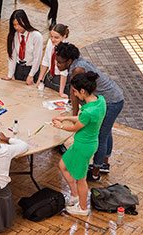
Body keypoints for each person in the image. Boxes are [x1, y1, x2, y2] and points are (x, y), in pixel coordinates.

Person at [55, 42, 124, 181]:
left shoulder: (77, 70)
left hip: (112, 101)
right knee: (106, 131)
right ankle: (104, 164)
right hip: (114, 97)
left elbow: (74, 94)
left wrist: (73, 117)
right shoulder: (76, 64)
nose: (58, 65)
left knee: (101, 136)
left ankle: (95, 173)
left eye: (60, 63)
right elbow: (74, 93)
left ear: (69, 61)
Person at [52, 71, 106, 216]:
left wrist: (60, 126)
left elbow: (76, 127)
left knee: (81, 179)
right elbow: (82, 119)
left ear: (82, 91)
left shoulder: (88, 112)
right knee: (62, 165)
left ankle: (83, 208)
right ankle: (74, 194)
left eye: (75, 92)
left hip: (83, 147)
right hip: (87, 143)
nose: (74, 95)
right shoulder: (100, 101)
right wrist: (65, 119)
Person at [3, 9, 43, 85]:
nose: (17, 27)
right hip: (19, 69)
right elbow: (12, 56)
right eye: (14, 25)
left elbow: (37, 58)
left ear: (25, 21)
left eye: (19, 24)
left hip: (31, 68)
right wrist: (10, 75)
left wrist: (31, 75)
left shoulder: (36, 36)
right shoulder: (14, 35)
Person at [35, 24, 70, 98]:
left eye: (56, 38)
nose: (53, 39)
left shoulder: (66, 50)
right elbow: (46, 61)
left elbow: (64, 73)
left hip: (60, 80)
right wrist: (40, 79)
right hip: (50, 77)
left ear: (64, 37)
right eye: (51, 36)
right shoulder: (50, 42)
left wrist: (61, 92)